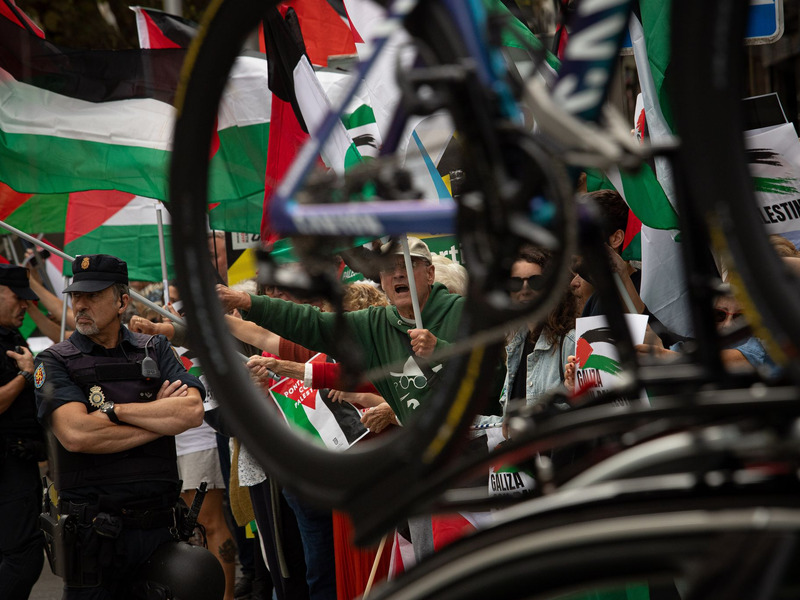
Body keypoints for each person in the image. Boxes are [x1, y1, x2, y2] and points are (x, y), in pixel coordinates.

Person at [34, 254, 206, 599]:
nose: (81, 305)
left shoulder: (154, 348)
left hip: (159, 529)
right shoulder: (54, 360)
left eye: (93, 296)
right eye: (77, 296)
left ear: (122, 302)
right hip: (94, 535)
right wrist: (159, 416)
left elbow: (191, 411)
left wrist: (113, 411)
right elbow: (77, 434)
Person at [217, 238, 464, 425]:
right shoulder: (375, 324)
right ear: (382, 278)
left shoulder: (461, 312)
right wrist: (245, 301)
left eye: (409, 266)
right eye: (390, 267)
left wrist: (439, 350)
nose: (399, 273)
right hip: (419, 461)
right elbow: (311, 324)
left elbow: (494, 379)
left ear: (430, 274)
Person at [474, 249, 577, 433]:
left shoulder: (570, 340)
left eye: (535, 281)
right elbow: (511, 418)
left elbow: (577, 412)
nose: (524, 289)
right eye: (516, 282)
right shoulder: (515, 341)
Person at [0, 264, 44, 600]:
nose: (25, 306)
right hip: (8, 465)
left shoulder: (11, 336)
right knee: (24, 557)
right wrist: (25, 376)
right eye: (19, 298)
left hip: (20, 459)